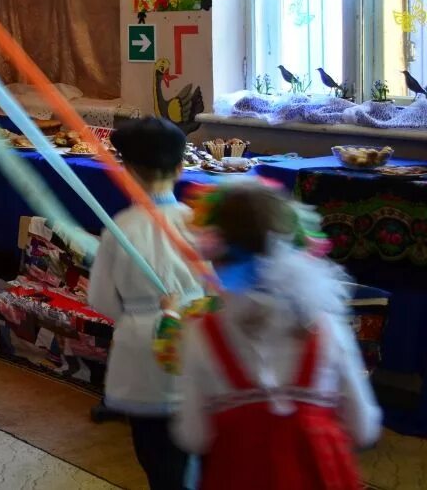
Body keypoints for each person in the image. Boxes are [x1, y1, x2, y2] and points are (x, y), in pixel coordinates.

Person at [171, 180, 382, 489]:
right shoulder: (327, 330)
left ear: (216, 255)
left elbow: (192, 435)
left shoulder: (202, 335)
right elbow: (364, 428)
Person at [87, 117, 203, 490]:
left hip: (142, 359)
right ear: (181, 168)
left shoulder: (119, 228)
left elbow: (102, 300)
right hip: (198, 350)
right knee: (195, 447)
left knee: (156, 455)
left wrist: (140, 317)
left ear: (128, 172)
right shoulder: (197, 223)